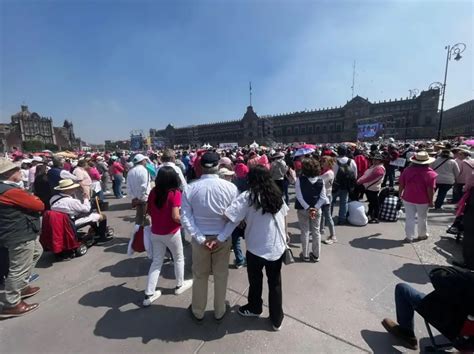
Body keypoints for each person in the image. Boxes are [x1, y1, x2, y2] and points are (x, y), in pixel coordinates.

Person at [221, 165, 288, 331]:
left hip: (256, 246)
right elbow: (284, 215)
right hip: (276, 245)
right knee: (275, 283)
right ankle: (276, 318)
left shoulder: (248, 196)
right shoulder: (276, 193)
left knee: (255, 280)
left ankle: (255, 307)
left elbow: (229, 215)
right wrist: (285, 234)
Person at [181, 152, 239, 322]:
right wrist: (221, 237)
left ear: (200, 167)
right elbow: (235, 217)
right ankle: (219, 310)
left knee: (200, 275)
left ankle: (198, 310)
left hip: (201, 239)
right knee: (221, 274)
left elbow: (186, 217)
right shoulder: (230, 188)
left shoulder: (190, 188)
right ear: (218, 166)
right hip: (222, 237)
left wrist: (199, 238)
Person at [143, 166, 193, 307]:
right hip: (171, 232)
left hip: (156, 232)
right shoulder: (175, 193)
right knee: (179, 258)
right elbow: (175, 216)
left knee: (156, 262)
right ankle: (179, 285)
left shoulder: (153, 192)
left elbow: (150, 212)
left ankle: (149, 293)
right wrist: (186, 223)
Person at [0, 158, 44, 318]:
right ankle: (12, 303)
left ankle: (22, 286)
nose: (20, 171)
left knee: (36, 252)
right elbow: (38, 205)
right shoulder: (9, 191)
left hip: (19, 231)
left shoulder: (7, 189)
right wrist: (34, 199)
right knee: (18, 268)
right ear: (9, 173)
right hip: (19, 233)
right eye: (17, 170)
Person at [399, 151, 437, 242]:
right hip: (423, 200)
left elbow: (401, 184)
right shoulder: (430, 174)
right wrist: (431, 201)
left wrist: (400, 194)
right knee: (422, 218)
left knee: (409, 218)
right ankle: (422, 234)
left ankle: (409, 236)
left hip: (408, 197)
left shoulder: (407, 170)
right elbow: (430, 189)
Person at [295, 158, 328, 262]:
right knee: (316, 232)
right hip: (316, 210)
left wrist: (308, 208)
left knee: (304, 231)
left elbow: (299, 197)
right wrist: (315, 208)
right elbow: (323, 198)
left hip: (303, 210)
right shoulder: (320, 180)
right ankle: (316, 255)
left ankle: (305, 255)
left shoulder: (300, 180)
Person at [356, 154, 386, 223]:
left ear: (380, 161)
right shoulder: (375, 166)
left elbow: (369, 178)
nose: (374, 161)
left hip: (372, 188)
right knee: (372, 203)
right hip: (370, 187)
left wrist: (360, 181)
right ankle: (371, 215)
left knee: (374, 203)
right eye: (373, 159)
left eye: (376, 160)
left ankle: (375, 217)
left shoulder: (379, 168)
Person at [332, 145, 357, 225]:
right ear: (346, 152)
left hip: (334, 185)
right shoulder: (351, 161)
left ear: (337, 152)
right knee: (344, 202)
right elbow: (355, 175)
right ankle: (342, 219)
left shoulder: (333, 161)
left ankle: (328, 219)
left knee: (331, 202)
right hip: (346, 185)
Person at [127, 154, 152, 226]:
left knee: (138, 217)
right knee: (146, 217)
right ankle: (145, 235)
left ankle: (137, 234)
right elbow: (145, 185)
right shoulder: (144, 170)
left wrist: (134, 197)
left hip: (135, 198)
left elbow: (128, 186)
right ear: (142, 161)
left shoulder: (130, 171)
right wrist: (141, 197)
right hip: (144, 198)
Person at [320, 156, 336, 244]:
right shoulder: (327, 172)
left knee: (328, 216)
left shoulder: (328, 173)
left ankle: (333, 235)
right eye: (322, 161)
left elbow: (318, 180)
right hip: (325, 195)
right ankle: (321, 229)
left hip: (326, 196)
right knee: (322, 214)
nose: (322, 163)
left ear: (329, 163)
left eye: (324, 161)